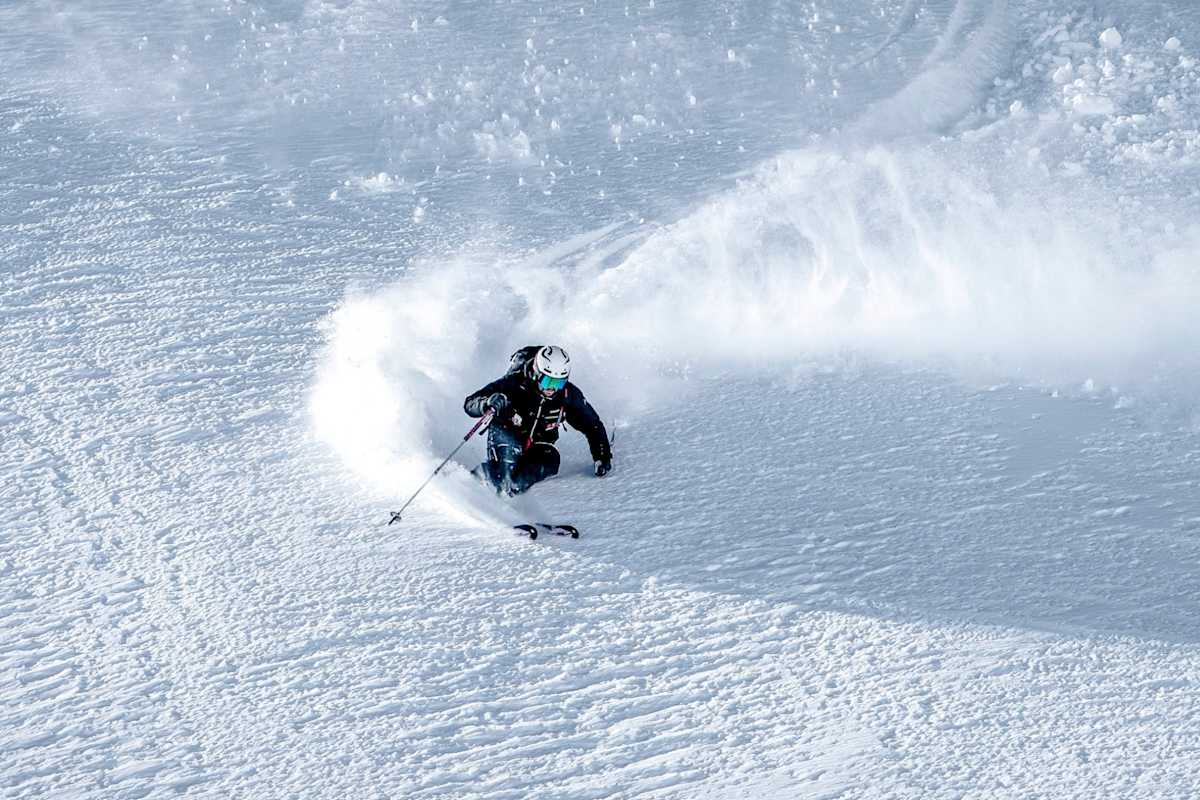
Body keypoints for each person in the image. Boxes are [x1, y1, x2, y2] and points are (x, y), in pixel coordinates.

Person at [464, 345, 612, 496]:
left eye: (558, 383)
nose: (552, 388)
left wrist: (602, 456)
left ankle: (508, 502)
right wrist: (488, 402)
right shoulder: (514, 384)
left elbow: (592, 425)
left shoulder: (567, 395)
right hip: (508, 431)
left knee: (550, 462)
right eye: (548, 381)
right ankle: (467, 486)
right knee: (505, 474)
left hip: (538, 444)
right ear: (536, 373)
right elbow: (470, 404)